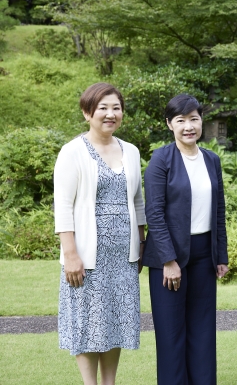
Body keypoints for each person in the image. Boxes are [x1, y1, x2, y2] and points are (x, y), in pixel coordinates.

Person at [54, 82, 146, 385]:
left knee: (115, 321)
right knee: (87, 323)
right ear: (87, 112)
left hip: (123, 256)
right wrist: (70, 255)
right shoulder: (72, 152)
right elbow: (63, 206)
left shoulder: (130, 151)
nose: (110, 114)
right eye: (103, 108)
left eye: (116, 108)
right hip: (86, 255)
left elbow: (138, 200)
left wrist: (141, 243)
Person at [143, 94, 228, 385]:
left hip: (205, 255)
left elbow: (219, 210)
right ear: (170, 124)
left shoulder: (211, 160)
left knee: (203, 332)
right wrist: (169, 260)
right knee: (171, 335)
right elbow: (153, 212)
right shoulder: (161, 159)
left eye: (194, 119)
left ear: (201, 121)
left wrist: (221, 257)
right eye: (181, 120)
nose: (188, 126)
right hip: (170, 258)